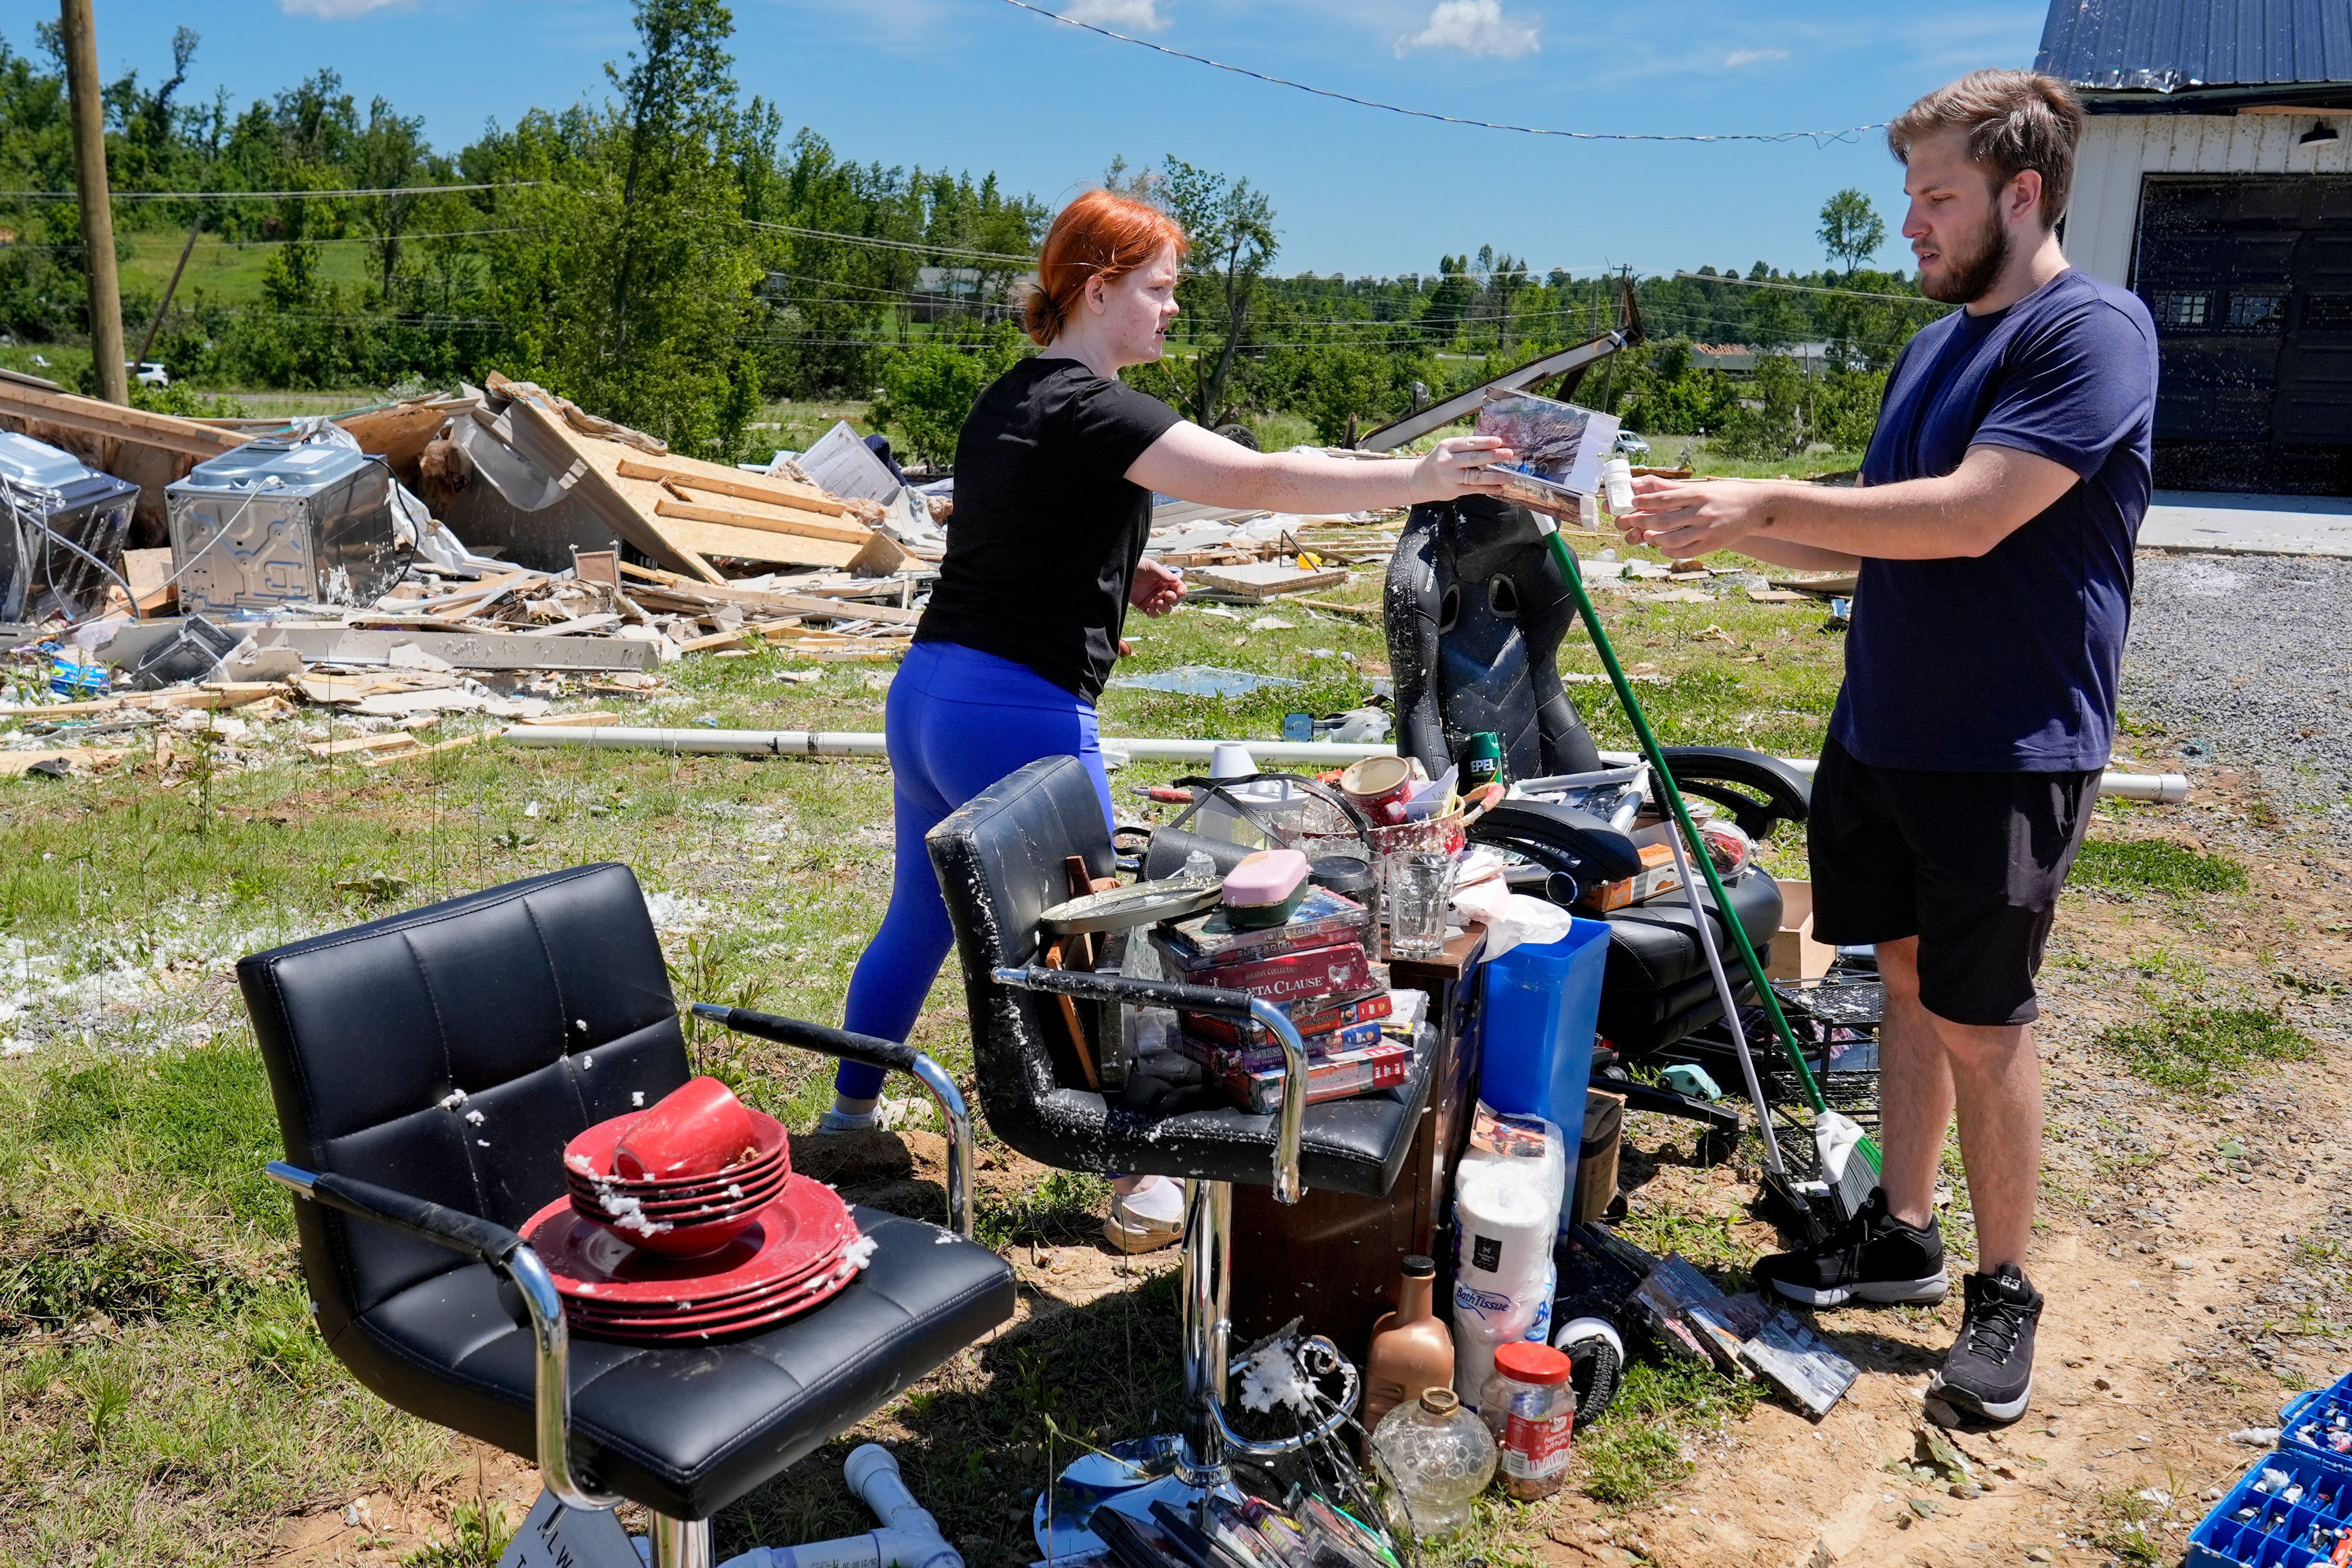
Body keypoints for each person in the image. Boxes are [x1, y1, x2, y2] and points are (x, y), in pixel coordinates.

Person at [822, 188, 1517, 1253]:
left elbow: (1019, 520)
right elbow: (1259, 479)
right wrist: (1414, 478)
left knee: (917, 914)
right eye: (1157, 288)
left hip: (928, 695)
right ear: (1097, 289)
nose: (1172, 307)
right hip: (1017, 706)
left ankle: (846, 1121)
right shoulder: (1101, 409)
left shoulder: (1016, 395)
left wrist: (1119, 567)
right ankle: (1143, 1183)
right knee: (1104, 940)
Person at [1618, 69, 2156, 1423]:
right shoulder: (1929, 351)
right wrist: (1718, 528)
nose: (1909, 222)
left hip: (2004, 746)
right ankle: (1901, 1234)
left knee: (1981, 1016)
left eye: (1936, 197)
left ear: (2020, 195)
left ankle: (2004, 1286)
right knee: (1902, 984)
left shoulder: (2091, 332)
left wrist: (1761, 496)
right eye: (1907, 194)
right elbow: (1870, 532)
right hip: (1882, 729)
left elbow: (1971, 515)